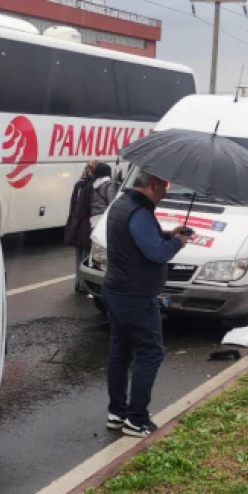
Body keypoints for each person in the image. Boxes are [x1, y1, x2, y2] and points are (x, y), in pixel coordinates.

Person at [102, 170, 191, 438]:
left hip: (115, 290)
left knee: (121, 349)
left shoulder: (121, 204)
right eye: (165, 185)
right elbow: (155, 253)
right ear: (152, 184)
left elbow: (138, 242)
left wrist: (167, 234)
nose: (166, 191)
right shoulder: (139, 212)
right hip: (135, 296)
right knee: (150, 352)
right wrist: (177, 242)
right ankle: (136, 419)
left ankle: (117, 413)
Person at [64, 161, 97, 292]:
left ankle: (78, 282)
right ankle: (84, 284)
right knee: (86, 255)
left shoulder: (78, 185)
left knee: (78, 254)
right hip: (86, 223)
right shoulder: (91, 187)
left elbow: (72, 205)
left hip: (76, 222)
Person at [88, 163, 121, 228]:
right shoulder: (109, 183)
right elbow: (111, 202)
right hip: (104, 217)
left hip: (93, 217)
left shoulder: (92, 184)